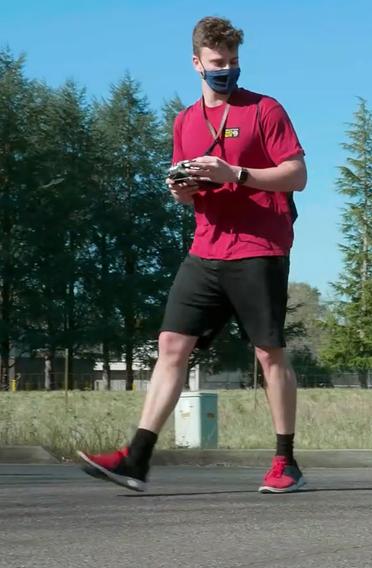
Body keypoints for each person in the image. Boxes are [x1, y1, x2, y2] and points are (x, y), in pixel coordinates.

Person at [78, 16, 308, 493]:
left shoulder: (265, 110)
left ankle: (285, 462)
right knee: (170, 347)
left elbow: (296, 175)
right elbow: (192, 196)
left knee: (268, 354)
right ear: (196, 63)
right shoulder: (185, 120)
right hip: (205, 249)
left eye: (233, 62)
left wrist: (235, 173)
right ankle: (135, 459)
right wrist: (181, 190)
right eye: (218, 63)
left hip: (259, 248)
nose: (226, 70)